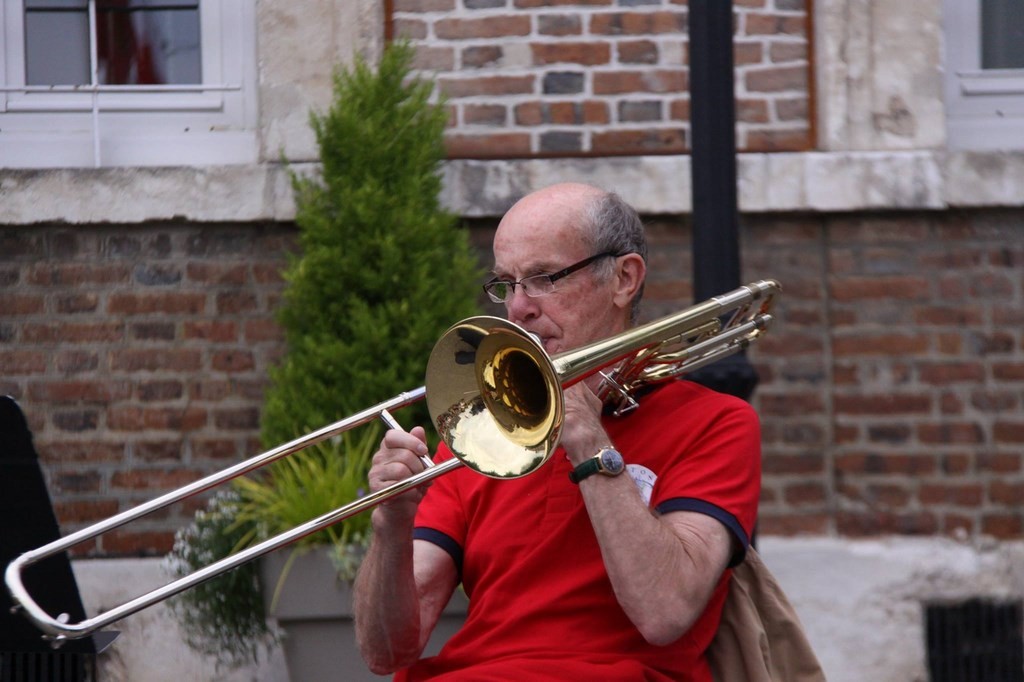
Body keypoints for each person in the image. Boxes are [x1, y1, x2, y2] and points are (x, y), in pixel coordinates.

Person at [353, 182, 762, 681]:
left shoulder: (716, 423)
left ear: (624, 279)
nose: (518, 307)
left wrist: (590, 442)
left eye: (544, 278)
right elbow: (387, 652)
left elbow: (665, 611)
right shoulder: (479, 435)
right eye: (507, 283)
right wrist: (390, 525)